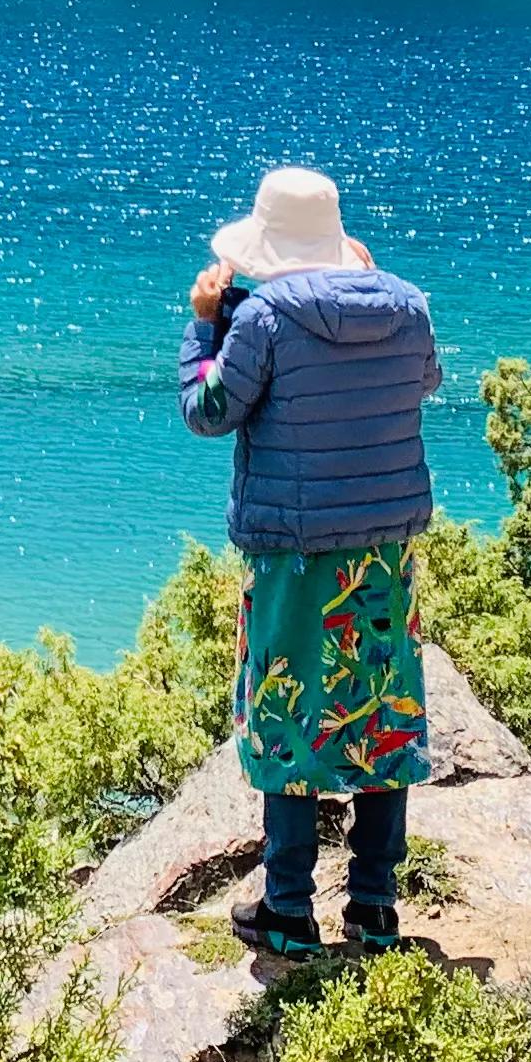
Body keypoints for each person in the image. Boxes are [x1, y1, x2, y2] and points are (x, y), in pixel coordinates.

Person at [178, 164, 444, 959]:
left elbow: (208, 411)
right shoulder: (410, 308)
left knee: (289, 718)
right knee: (380, 720)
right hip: (384, 551)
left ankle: (289, 910)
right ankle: (375, 909)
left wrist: (204, 328)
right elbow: (419, 382)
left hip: (293, 554)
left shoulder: (260, 319)